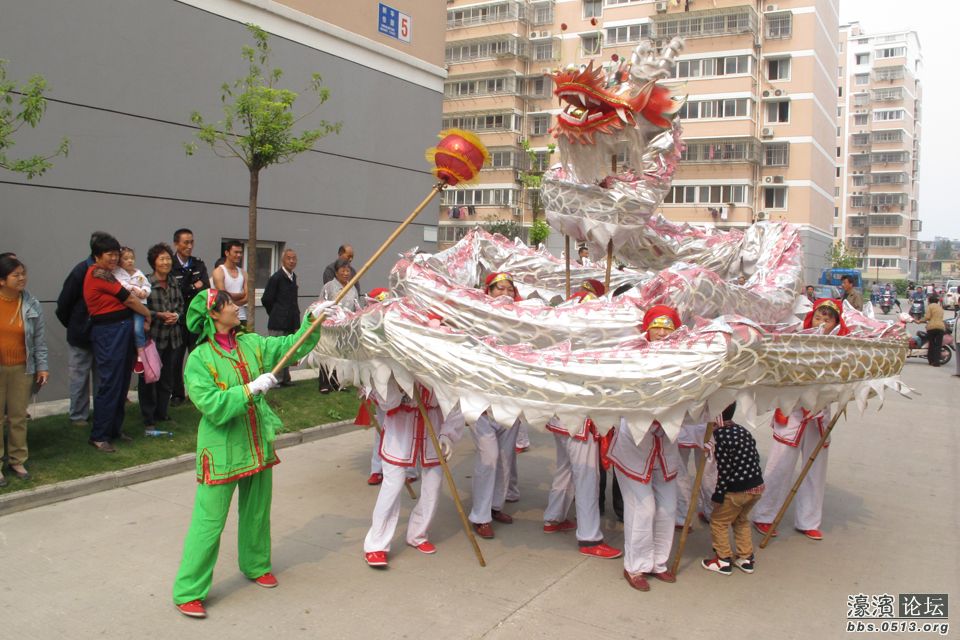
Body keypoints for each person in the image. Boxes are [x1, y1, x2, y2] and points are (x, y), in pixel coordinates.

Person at [172, 290, 331, 618]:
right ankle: (188, 590)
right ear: (214, 315)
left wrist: (313, 320)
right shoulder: (200, 359)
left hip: (256, 442)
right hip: (221, 450)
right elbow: (211, 405)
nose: (236, 306)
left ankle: (256, 564)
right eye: (229, 304)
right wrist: (249, 389)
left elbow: (289, 348)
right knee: (209, 522)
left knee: (257, 513)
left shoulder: (251, 343)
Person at [752, 298, 848, 541]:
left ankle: (809, 520)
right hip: (793, 411)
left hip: (819, 415)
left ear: (836, 323)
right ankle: (764, 515)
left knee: (815, 468)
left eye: (828, 319)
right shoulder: (795, 339)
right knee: (780, 464)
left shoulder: (844, 347)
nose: (822, 323)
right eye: (818, 317)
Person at [607, 304, 683, 591]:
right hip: (634, 444)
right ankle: (635, 566)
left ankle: (658, 563)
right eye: (657, 325)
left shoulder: (691, 359)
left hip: (666, 446)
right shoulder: (630, 357)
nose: (662, 332)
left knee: (667, 508)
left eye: (668, 326)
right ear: (646, 328)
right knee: (643, 507)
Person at [362, 382, 464, 568]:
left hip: (433, 426)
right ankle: (376, 544)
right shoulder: (395, 364)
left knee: (433, 485)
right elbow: (386, 403)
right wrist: (400, 387)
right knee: (393, 485)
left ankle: (418, 533)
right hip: (401, 428)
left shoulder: (442, 364)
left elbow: (455, 401)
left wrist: (448, 433)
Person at [83, 233, 152, 452]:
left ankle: (114, 429)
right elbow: (129, 298)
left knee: (122, 382)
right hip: (109, 332)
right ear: (97, 256)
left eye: (116, 255)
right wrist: (148, 314)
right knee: (111, 382)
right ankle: (99, 435)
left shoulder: (111, 272)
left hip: (121, 330)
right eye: (109, 255)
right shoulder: (99, 273)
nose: (114, 259)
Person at [469, 272, 523, 539]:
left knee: (504, 458)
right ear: (487, 292)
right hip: (481, 403)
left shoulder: (523, 324)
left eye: (509, 290)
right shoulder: (475, 319)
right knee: (488, 458)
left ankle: (495, 506)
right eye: (499, 289)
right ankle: (479, 516)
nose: (505, 294)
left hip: (510, 403)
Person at [543, 417, 622, 559]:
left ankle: (554, 518)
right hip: (580, 423)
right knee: (587, 480)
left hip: (563, 419)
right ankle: (589, 540)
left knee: (565, 470)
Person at [700, 403, 765, 576]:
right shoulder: (742, 430)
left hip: (736, 490)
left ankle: (723, 559)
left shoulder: (719, 436)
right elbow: (755, 456)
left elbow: (724, 470)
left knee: (719, 522)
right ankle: (746, 557)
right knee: (741, 519)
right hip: (756, 486)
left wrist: (719, 494)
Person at [0, 256, 48, 485]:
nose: (21, 278)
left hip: (22, 367)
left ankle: (17, 459)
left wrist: (42, 367)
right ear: (2, 280)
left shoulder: (31, 303)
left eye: (23, 274)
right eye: (15, 275)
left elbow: (39, 340)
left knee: (18, 416)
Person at [55, 232, 108, 427]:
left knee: (102, 377)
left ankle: (101, 412)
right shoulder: (81, 271)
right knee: (79, 376)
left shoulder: (110, 273)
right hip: (81, 335)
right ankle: (78, 415)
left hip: (103, 335)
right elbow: (64, 304)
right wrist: (76, 325)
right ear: (97, 253)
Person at [137, 243, 184, 430]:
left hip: (173, 337)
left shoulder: (174, 282)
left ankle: (162, 413)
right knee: (149, 378)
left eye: (168, 258)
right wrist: (159, 315)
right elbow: (141, 308)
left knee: (167, 377)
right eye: (161, 259)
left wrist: (177, 316)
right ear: (153, 262)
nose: (166, 262)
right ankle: (148, 417)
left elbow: (181, 305)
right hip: (153, 338)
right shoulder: (146, 283)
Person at [170, 228, 209, 406]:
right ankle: (177, 394)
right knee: (176, 360)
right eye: (185, 242)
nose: (189, 246)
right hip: (178, 321)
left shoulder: (198, 264)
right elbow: (175, 290)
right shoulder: (168, 263)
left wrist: (190, 287)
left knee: (196, 358)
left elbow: (205, 287)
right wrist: (193, 286)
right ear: (176, 244)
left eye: (191, 242)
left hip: (196, 320)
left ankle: (196, 393)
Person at [261, 249, 300, 386]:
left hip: (290, 321)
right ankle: (275, 380)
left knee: (287, 351)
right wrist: (275, 312)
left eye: (294, 258)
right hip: (278, 322)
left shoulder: (293, 277)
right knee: (276, 352)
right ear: (283, 260)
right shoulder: (276, 277)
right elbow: (266, 299)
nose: (291, 261)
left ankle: (285, 378)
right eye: (289, 258)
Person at [114, 246, 151, 373]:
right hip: (126, 305)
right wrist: (134, 288)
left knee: (138, 328)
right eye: (126, 259)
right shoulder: (117, 273)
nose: (130, 261)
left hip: (140, 306)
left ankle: (141, 355)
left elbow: (147, 285)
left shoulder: (138, 273)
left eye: (132, 258)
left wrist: (144, 292)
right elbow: (121, 285)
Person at [212, 240, 249, 326]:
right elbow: (223, 296)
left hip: (241, 317)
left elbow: (247, 298)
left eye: (240, 252)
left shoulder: (243, 273)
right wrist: (241, 294)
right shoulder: (219, 271)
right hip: (225, 318)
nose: (239, 255)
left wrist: (231, 299)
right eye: (236, 252)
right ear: (227, 253)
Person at [917, 294, 946, 367]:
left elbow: (927, 317)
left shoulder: (930, 306)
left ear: (929, 301)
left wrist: (919, 321)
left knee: (932, 344)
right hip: (941, 327)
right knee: (938, 345)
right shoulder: (940, 307)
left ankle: (931, 361)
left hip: (932, 327)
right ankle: (937, 362)